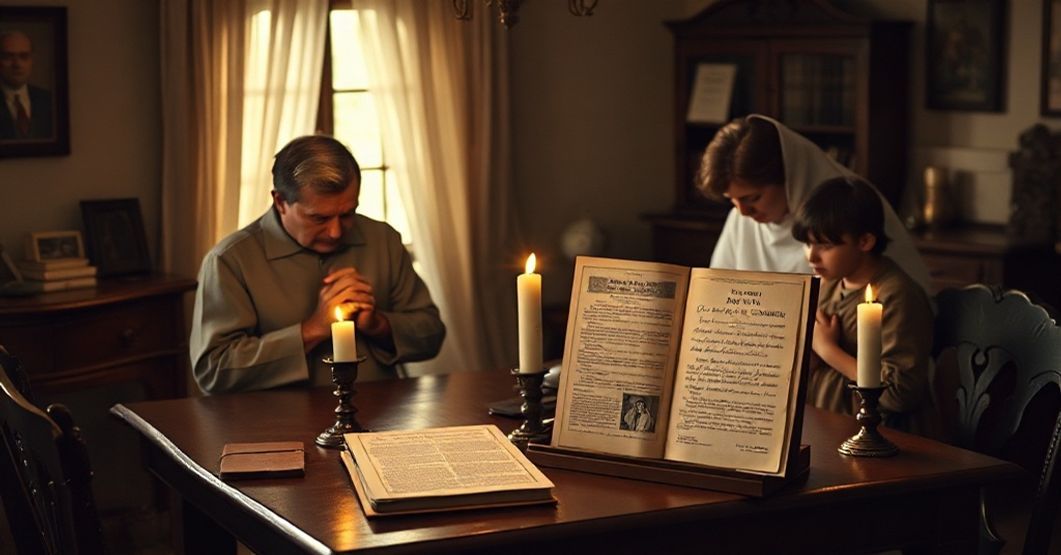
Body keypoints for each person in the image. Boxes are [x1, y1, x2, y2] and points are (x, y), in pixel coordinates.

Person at [190, 135, 446, 394]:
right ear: (280, 202)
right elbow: (213, 371)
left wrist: (378, 325)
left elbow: (432, 335)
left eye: (347, 214)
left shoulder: (383, 240)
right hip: (273, 426)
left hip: (381, 417)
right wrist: (312, 330)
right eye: (319, 218)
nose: (336, 231)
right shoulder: (230, 261)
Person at [697, 114, 932, 296]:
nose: (742, 213)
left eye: (753, 198)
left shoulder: (848, 206)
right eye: (732, 201)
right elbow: (716, 293)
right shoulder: (742, 219)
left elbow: (902, 304)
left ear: (789, 178)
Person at [791, 177, 936, 435]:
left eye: (825, 245)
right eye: (807, 243)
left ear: (865, 242)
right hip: (826, 429)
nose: (811, 256)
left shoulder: (896, 296)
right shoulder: (829, 287)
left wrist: (827, 349)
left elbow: (899, 393)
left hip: (880, 437)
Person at [0, 30, 53, 141]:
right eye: (8, 57)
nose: (17, 64)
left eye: (24, 56)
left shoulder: (49, 100)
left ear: (32, 60)